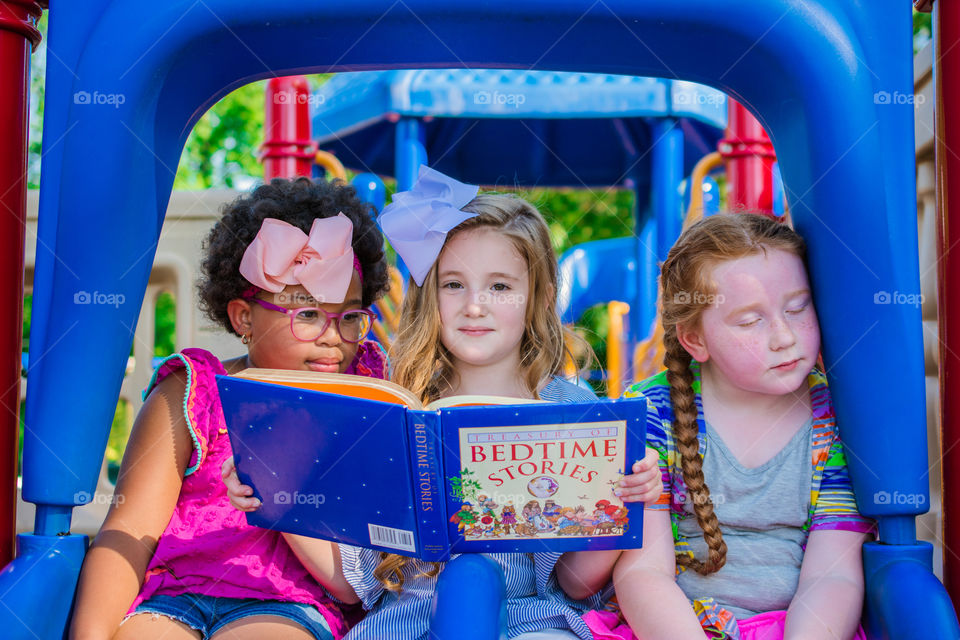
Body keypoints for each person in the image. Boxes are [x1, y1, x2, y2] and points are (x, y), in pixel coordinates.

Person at [227, 166, 663, 639]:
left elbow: (576, 585)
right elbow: (349, 584)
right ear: (429, 296)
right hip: (408, 620)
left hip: (527, 619)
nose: (474, 305)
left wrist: (620, 502)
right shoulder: (392, 404)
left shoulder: (568, 407)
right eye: (453, 284)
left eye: (500, 286)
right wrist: (276, 489)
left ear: (536, 296)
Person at [70, 177, 391, 640]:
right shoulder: (193, 392)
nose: (331, 336)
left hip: (287, 602)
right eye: (307, 313)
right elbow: (128, 530)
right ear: (244, 317)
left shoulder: (365, 392)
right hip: (175, 596)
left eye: (350, 316)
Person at [563, 213, 873, 640]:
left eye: (797, 308)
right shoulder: (652, 415)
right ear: (695, 340)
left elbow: (833, 577)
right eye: (750, 321)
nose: (784, 336)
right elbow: (644, 572)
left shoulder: (838, 419)